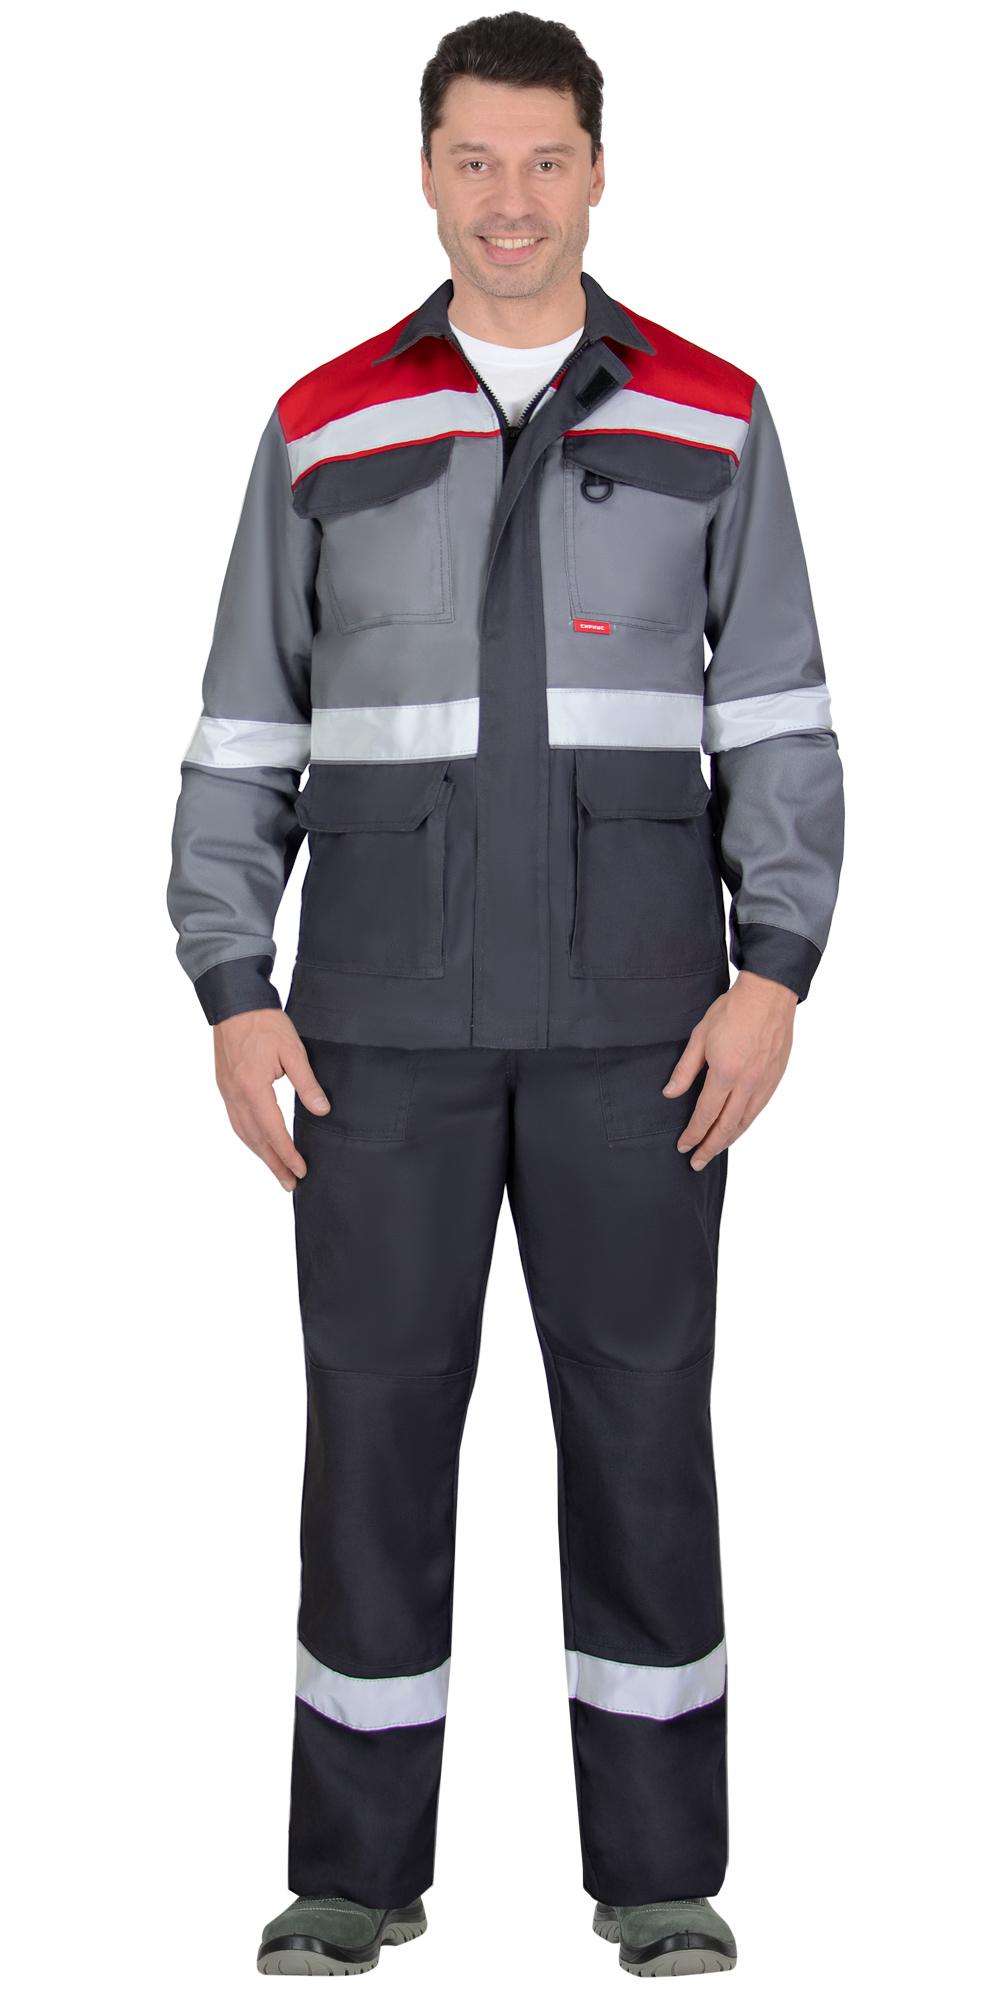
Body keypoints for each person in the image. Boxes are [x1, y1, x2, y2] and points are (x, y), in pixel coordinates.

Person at [168, 11, 844, 1979]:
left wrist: (774, 972)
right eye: (474, 158)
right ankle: (352, 1871)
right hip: (376, 1033)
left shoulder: (710, 412)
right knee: (372, 1439)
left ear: (598, 172)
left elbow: (780, 716)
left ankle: (659, 1872)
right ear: (424, 172)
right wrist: (231, 981)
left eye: (546, 158)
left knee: (642, 1434)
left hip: (645, 1030)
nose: (511, 198)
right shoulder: (325, 421)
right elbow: (243, 725)